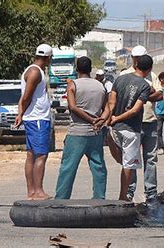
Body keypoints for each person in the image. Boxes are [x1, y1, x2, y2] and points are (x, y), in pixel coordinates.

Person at [55, 57, 110, 199]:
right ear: (91, 69)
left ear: (76, 69)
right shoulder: (100, 86)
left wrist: (91, 120)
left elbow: (73, 107)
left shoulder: (73, 85)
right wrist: (100, 121)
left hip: (77, 132)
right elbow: (107, 109)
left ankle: (61, 199)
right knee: (98, 167)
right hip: (95, 133)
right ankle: (99, 198)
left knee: (68, 168)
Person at [120, 45, 163, 201]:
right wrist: (146, 93)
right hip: (131, 123)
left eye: (140, 58)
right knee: (130, 159)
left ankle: (151, 192)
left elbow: (159, 95)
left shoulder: (153, 75)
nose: (137, 61)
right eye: (135, 58)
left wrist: (144, 95)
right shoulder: (125, 75)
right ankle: (129, 191)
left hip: (149, 121)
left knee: (150, 159)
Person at [108, 54, 153, 201]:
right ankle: (123, 196)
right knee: (128, 164)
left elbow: (111, 103)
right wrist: (117, 118)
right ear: (150, 69)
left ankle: (125, 194)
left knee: (123, 162)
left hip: (115, 129)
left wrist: (110, 118)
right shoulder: (145, 85)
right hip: (131, 130)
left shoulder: (120, 79)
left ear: (136, 64)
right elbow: (135, 110)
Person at [14, 44, 53, 200]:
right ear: (48, 58)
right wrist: (21, 113)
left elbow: (23, 96)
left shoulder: (34, 71)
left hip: (34, 117)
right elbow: (27, 96)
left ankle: (32, 191)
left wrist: (20, 112)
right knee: (40, 155)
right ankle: (37, 191)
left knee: (31, 155)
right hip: (37, 118)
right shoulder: (35, 72)